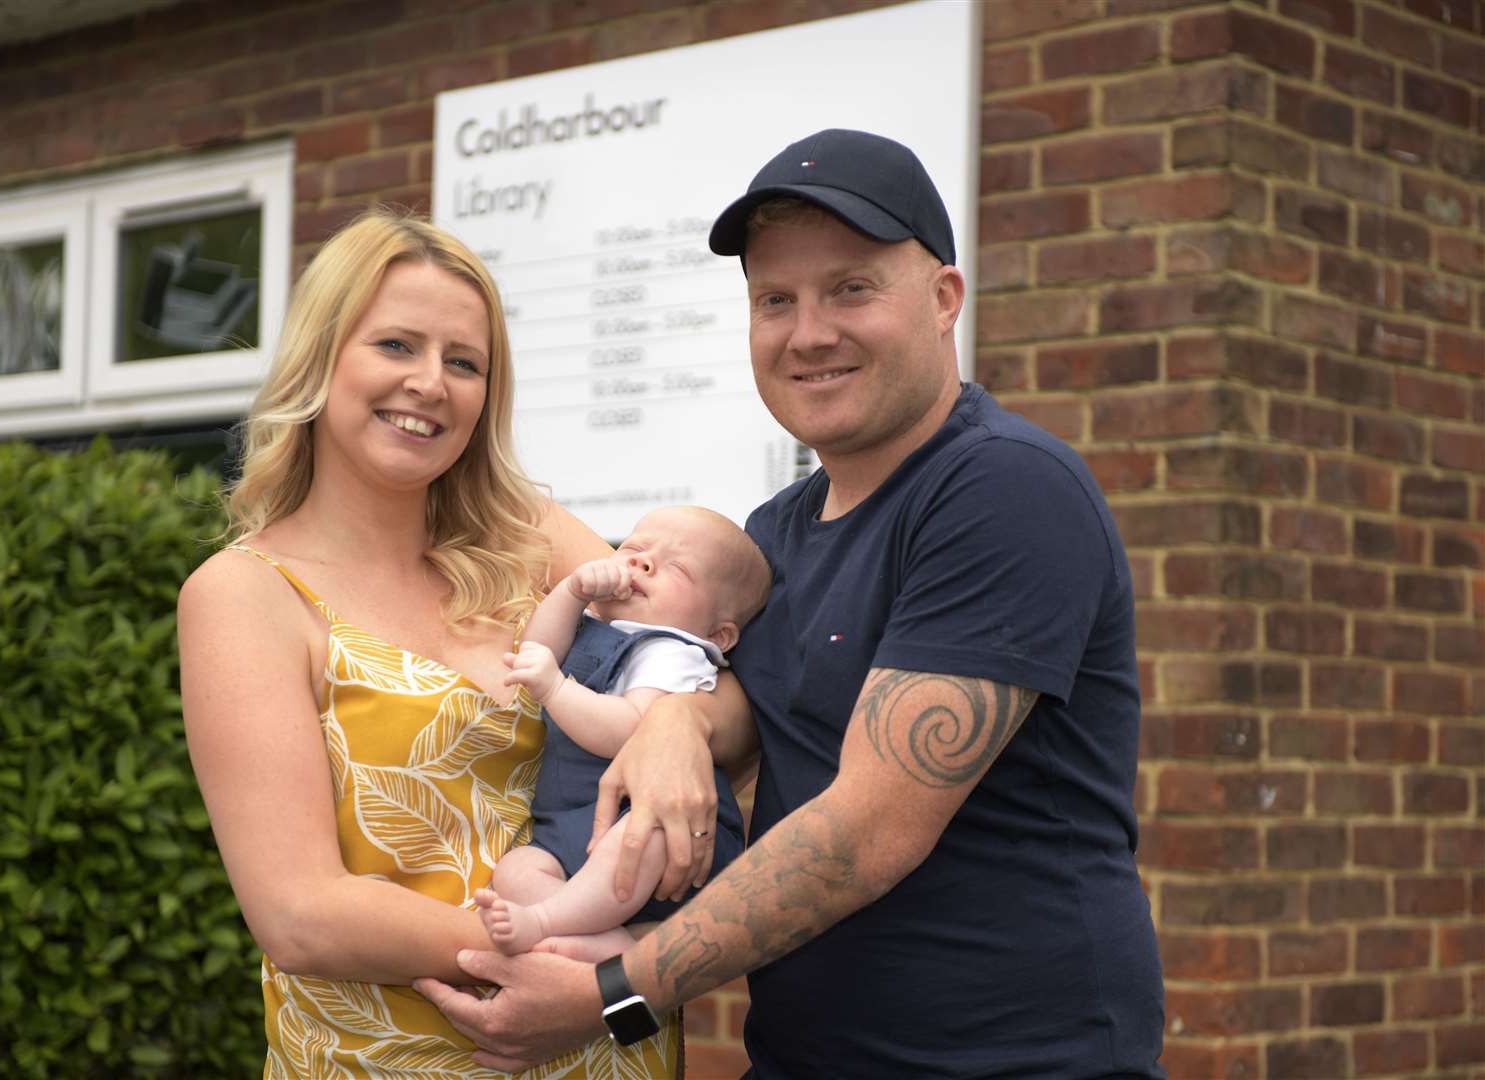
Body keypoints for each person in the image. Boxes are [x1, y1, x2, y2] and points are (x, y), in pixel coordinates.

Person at [416, 129, 1166, 1077]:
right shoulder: (773, 532)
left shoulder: (1000, 489)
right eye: (776, 300)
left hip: (1016, 1058)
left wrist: (617, 994)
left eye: (850, 288)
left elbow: (868, 830)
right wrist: (676, 725)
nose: (808, 333)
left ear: (943, 300)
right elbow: (745, 708)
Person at [177, 208, 737, 1077]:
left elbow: (719, 687)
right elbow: (299, 915)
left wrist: (676, 728)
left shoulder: (530, 539)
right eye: (396, 346)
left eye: (463, 362)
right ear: (321, 358)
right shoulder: (245, 594)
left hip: (605, 1051)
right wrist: (578, 960)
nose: (431, 384)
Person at [476, 505, 769, 958]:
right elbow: (536, 651)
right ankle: (607, 953)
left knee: (640, 838)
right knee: (517, 870)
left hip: (654, 827)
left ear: (720, 634)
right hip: (574, 825)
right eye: (633, 549)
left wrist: (554, 687)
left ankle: (546, 923)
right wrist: (572, 592)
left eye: (677, 568)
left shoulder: (673, 651)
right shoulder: (598, 626)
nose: (641, 562)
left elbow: (634, 730)